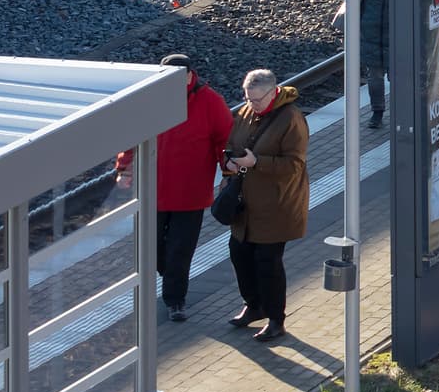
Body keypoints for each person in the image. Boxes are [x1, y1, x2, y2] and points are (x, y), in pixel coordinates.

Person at [115, 54, 235, 322]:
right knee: (152, 248)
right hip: (152, 191)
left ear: (191, 75)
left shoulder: (210, 102)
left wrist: (228, 172)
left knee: (180, 250)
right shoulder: (146, 99)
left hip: (190, 193)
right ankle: (169, 277)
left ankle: (175, 300)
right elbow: (131, 136)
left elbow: (224, 140)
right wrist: (124, 168)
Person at [222, 68, 309, 343]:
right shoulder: (247, 112)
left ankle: (275, 319)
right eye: (248, 98)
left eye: (257, 99)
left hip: (277, 205)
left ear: (274, 92)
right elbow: (233, 142)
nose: (251, 104)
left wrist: (257, 162)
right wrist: (229, 162)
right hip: (247, 203)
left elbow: (294, 165)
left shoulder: (291, 119)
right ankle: (254, 304)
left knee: (268, 262)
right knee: (238, 252)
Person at [342, 0, 405, 128]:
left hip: (395, 34)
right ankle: (377, 113)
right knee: (374, 77)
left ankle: (401, 113)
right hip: (371, 32)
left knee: (398, 77)